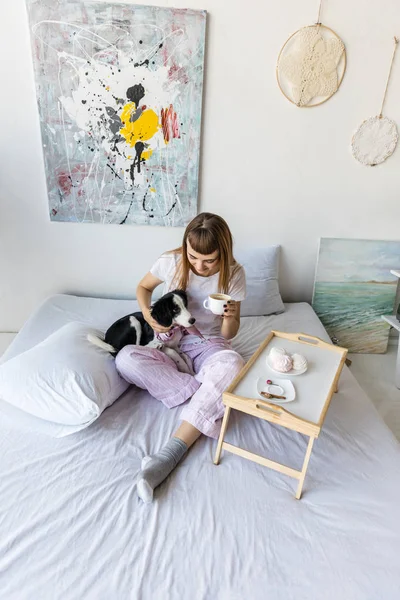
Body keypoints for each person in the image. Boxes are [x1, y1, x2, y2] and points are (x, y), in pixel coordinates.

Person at [115, 212, 246, 502]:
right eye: (193, 256)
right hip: (170, 340)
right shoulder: (171, 261)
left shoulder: (234, 274)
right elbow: (143, 287)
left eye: (209, 260)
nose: (199, 266)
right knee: (125, 358)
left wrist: (231, 316)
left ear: (222, 253)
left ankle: (166, 457)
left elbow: (228, 334)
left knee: (234, 364)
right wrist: (150, 319)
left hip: (208, 342)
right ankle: (204, 393)